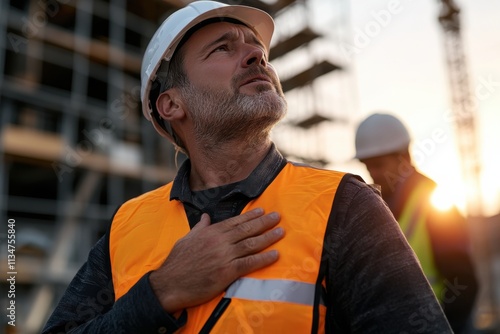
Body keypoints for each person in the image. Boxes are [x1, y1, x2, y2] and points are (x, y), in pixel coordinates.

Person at [42, 2, 452, 333]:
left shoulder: (344, 206)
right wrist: (160, 292)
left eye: (256, 48)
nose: (257, 55)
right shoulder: (125, 226)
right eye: (223, 48)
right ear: (171, 104)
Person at [354, 112, 479, 333]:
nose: (373, 173)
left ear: (405, 158)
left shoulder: (436, 202)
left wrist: (438, 325)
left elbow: (463, 283)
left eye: (379, 164)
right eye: (367, 166)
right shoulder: (379, 206)